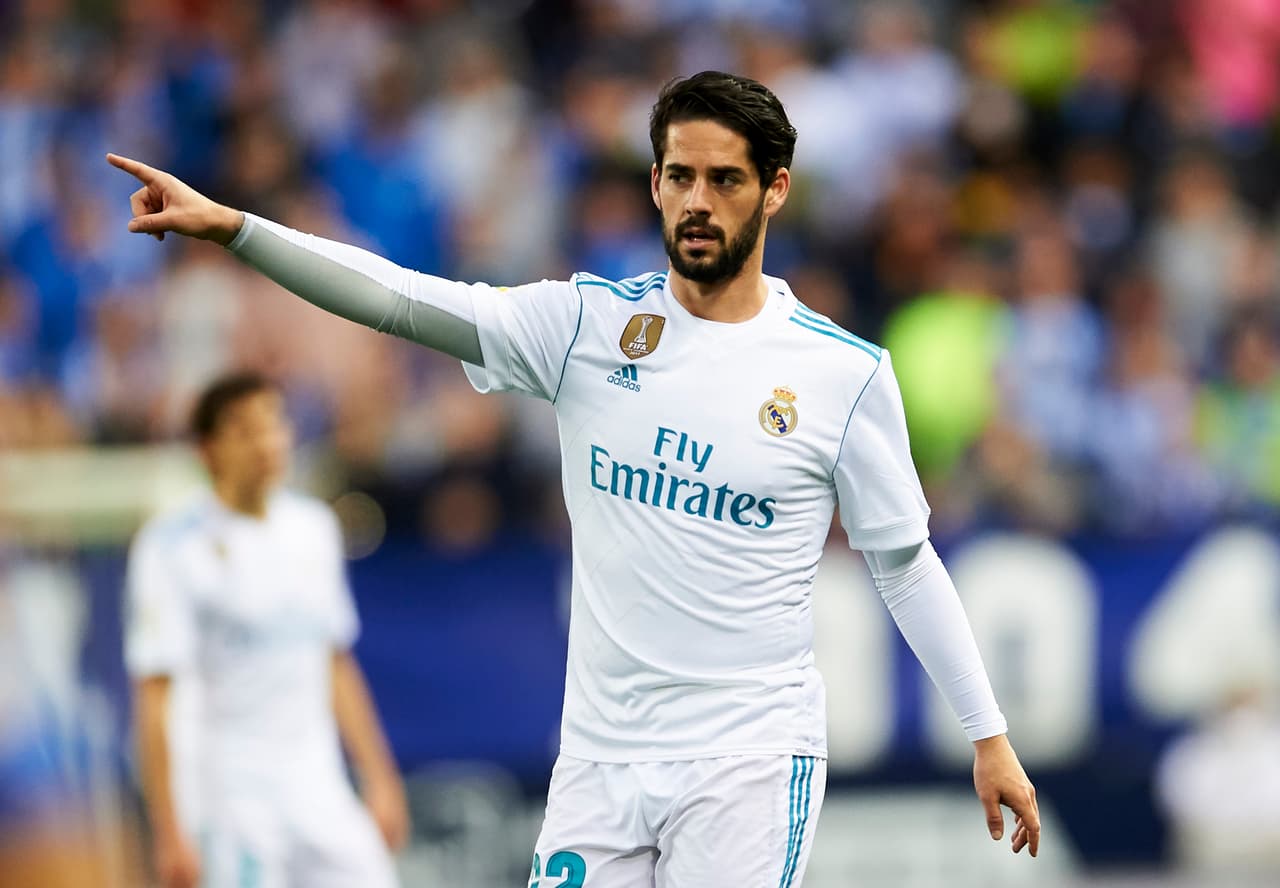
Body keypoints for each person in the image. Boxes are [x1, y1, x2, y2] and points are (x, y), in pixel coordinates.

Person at [109, 70, 1038, 887]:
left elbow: (904, 562)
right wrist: (236, 229)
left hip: (748, 760)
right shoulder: (585, 329)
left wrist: (987, 733)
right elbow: (398, 298)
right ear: (655, 183)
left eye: (725, 179)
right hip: (599, 762)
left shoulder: (843, 374)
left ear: (776, 190)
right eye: (681, 176)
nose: (699, 201)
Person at [124, 372, 408, 888]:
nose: (268, 442)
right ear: (209, 450)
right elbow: (153, 696)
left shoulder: (314, 528)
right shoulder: (171, 548)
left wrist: (380, 778)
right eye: (246, 430)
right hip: (231, 794)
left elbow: (335, 661)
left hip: (316, 780)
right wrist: (168, 829)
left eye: (275, 425)